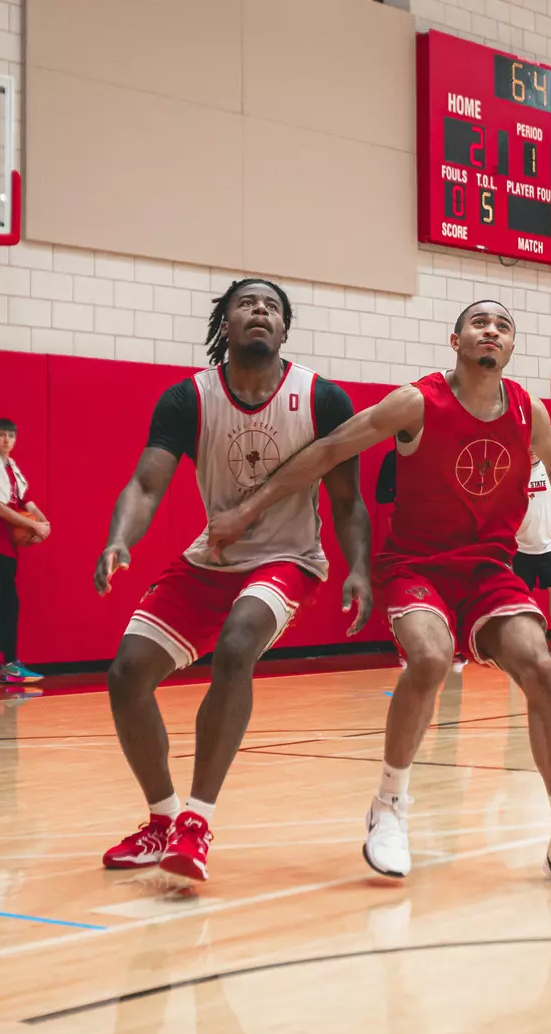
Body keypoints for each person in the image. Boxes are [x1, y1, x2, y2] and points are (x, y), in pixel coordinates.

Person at [208, 300, 551, 893]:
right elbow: (328, 450)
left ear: (510, 348)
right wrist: (248, 508)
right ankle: (390, 806)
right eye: (480, 322)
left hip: (487, 571)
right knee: (428, 658)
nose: (491, 331)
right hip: (417, 565)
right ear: (456, 340)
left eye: (502, 326)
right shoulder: (417, 402)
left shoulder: (530, 412)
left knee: (542, 668)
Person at [94, 278, 372, 884]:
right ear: (225, 322)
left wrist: (359, 570)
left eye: (272, 307)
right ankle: (162, 819)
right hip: (213, 555)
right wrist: (121, 538)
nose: (260, 312)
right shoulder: (187, 399)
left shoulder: (321, 398)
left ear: (284, 330)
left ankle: (197, 821)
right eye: (247, 303)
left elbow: (348, 502)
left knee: (239, 642)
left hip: (289, 557)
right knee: (126, 675)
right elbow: (145, 486)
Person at [0, 418, 50, 683]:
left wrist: (43, 522)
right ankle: (8, 663)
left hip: (6, 547)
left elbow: (26, 500)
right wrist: (32, 524)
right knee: (5, 602)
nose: (6, 440)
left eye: (11, 436)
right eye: (1, 435)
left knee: (3, 603)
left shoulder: (11, 470)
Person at [377, 447, 468, 674]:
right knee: (407, 588)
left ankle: (452, 645)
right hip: (406, 531)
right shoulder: (392, 458)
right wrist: (405, 494)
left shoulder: (437, 453)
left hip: (440, 529)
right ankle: (405, 648)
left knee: (445, 585)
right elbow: (381, 494)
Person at [513, 450, 551, 663]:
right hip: (521, 546)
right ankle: (524, 642)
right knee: (521, 597)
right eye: (527, 446)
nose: (530, 451)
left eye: (534, 446)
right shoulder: (517, 472)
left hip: (549, 544)